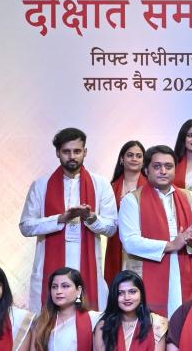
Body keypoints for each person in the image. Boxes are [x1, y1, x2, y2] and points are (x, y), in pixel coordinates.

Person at [20, 127, 118, 309]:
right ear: (58, 153)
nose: (72, 156)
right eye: (66, 151)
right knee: (48, 321)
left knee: (88, 320)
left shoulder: (101, 184)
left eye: (77, 151)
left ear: (85, 152)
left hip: (87, 268)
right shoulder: (41, 185)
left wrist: (90, 218)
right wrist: (60, 219)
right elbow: (26, 226)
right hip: (49, 267)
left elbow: (111, 228)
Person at [118, 145, 192, 317]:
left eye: (168, 166)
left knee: (182, 318)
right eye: (157, 166)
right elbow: (130, 241)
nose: (163, 171)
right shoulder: (132, 200)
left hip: (183, 267)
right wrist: (171, 245)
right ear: (146, 170)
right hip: (149, 269)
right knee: (152, 323)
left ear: (175, 169)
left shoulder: (189, 197)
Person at [27, 267, 102, 351]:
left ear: (79, 290)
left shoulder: (94, 320)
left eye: (65, 286)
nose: (59, 291)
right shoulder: (42, 321)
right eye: (54, 287)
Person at [93, 271, 168, 351]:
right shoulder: (104, 326)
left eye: (132, 292)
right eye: (120, 293)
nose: (127, 297)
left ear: (141, 295)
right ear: (114, 297)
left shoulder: (157, 324)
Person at [107, 140, 148, 281]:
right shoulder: (111, 187)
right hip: (117, 241)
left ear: (144, 161)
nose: (134, 159)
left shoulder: (151, 186)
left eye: (139, 156)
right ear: (122, 159)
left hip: (142, 240)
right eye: (130, 155)